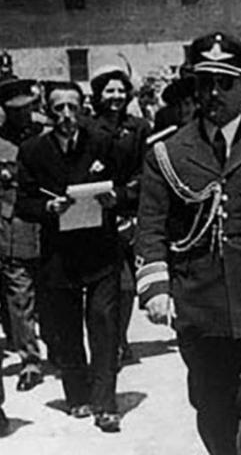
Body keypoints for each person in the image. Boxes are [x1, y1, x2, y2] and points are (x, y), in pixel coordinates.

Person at [135, 32, 241, 455]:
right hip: (200, 305)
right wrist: (157, 288)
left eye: (224, 82)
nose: (213, 93)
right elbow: (151, 226)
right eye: (204, 83)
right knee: (212, 409)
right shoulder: (168, 153)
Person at [15, 81, 123, 432]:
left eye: (73, 108)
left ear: (83, 109)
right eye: (59, 108)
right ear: (48, 111)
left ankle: (106, 404)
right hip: (59, 255)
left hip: (101, 250)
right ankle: (77, 395)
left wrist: (114, 198)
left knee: (103, 323)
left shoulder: (102, 143)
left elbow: (127, 184)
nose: (66, 116)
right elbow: (23, 203)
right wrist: (48, 206)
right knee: (67, 328)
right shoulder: (32, 151)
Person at [85, 65, 152, 366]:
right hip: (94, 215)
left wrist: (124, 197)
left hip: (128, 214)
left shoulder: (138, 127)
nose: (116, 96)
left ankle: (119, 339)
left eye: (120, 90)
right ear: (98, 95)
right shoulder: (87, 128)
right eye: (109, 91)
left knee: (126, 287)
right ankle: (104, 343)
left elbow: (144, 171)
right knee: (100, 289)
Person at [0, 78, 45, 392]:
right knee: (20, 294)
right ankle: (29, 359)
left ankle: (60, 346)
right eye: (14, 112)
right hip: (14, 226)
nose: (22, 117)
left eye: (26, 110)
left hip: (51, 222)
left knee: (54, 291)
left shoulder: (49, 134)